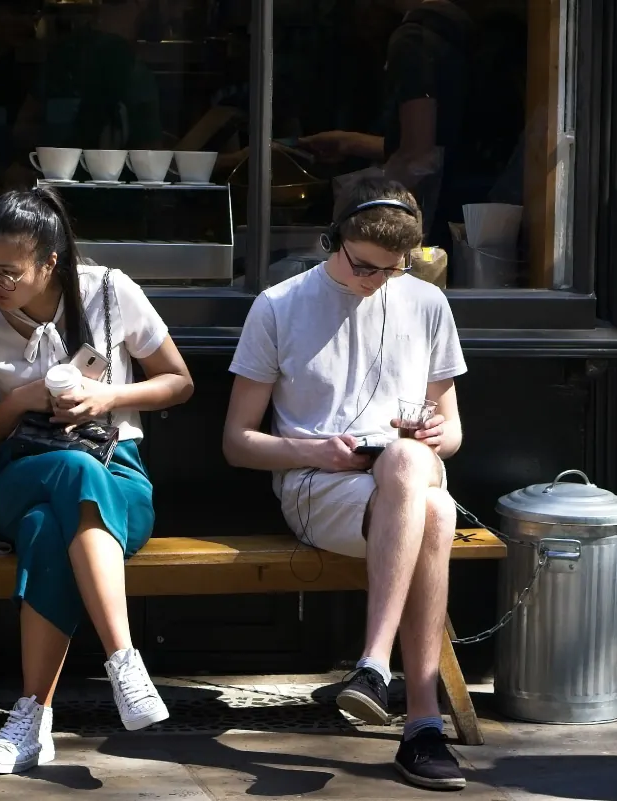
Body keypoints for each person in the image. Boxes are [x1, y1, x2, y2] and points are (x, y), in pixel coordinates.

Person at [221, 178, 469, 791]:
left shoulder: (427, 304)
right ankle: (422, 726)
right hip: (318, 486)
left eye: (392, 270)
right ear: (331, 240)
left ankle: (374, 669)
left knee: (418, 476)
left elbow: (455, 431)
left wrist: (434, 433)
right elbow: (236, 441)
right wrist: (315, 450)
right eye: (364, 266)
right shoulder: (279, 305)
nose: (376, 281)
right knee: (433, 507)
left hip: (403, 484)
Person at [0, 187, 193, 774]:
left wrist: (108, 395)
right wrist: (22, 402)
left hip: (119, 475)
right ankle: (124, 662)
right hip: (20, 476)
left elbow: (179, 382)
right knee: (67, 473)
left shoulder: (110, 291)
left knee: (47, 528)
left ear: (50, 263)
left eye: (10, 271)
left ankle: (30, 719)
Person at [299, 0, 471, 241]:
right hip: (463, 216)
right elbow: (435, 141)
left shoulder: (413, 38)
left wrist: (356, 213)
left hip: (427, 223)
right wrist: (349, 142)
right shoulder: (458, 31)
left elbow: (419, 156)